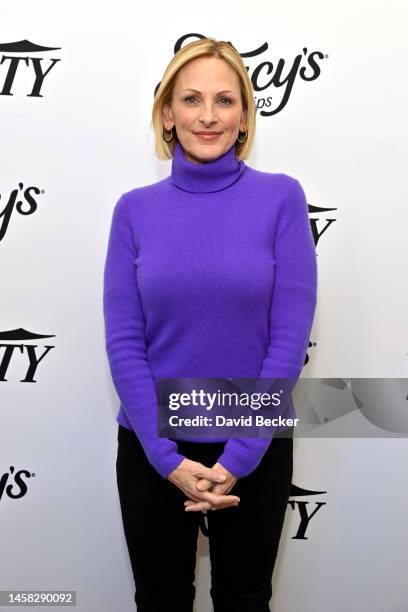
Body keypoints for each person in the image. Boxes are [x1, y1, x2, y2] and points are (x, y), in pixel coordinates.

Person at [103, 37, 317, 612]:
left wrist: (238, 457)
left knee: (245, 600)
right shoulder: (133, 210)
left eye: (225, 100)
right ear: (167, 112)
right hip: (154, 448)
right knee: (161, 600)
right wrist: (166, 459)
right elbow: (125, 344)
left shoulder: (281, 199)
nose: (207, 115)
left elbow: (288, 340)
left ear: (245, 114)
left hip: (254, 443)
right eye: (191, 99)